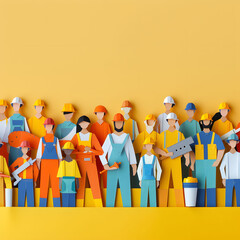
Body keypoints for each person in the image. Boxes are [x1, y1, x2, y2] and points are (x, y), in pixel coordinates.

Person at [100, 113, 137, 207]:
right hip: (112, 167)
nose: (118, 125)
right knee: (111, 188)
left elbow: (131, 152)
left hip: (124, 167)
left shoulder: (127, 137)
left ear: (123, 124)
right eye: (117, 123)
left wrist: (133, 165)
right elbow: (101, 153)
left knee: (125, 187)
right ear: (114, 124)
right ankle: (109, 209)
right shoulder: (109, 137)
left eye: (120, 123)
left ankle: (127, 209)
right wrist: (105, 164)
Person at [191, 113, 225, 207]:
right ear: (201, 122)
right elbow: (190, 150)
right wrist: (193, 163)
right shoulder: (196, 137)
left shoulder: (215, 136)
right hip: (199, 165)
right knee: (200, 186)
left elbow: (221, 149)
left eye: (207, 120)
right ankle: (199, 207)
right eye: (204, 121)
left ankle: (211, 206)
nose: (206, 122)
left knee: (211, 186)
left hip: (211, 164)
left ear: (211, 122)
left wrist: (217, 161)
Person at [156, 113, 188, 207]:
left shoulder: (179, 135)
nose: (171, 122)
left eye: (173, 120)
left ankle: (180, 205)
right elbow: (157, 148)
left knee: (178, 183)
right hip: (165, 162)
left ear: (176, 121)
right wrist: (165, 154)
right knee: (164, 183)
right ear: (167, 121)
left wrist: (186, 158)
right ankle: (162, 205)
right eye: (169, 120)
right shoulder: (163, 135)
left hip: (176, 162)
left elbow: (185, 147)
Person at [71, 116, 103, 207]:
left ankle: (99, 205)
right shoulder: (76, 136)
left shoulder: (92, 136)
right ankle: (79, 205)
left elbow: (100, 152)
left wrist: (91, 150)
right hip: (80, 163)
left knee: (95, 184)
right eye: (82, 123)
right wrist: (79, 150)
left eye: (86, 123)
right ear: (79, 124)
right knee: (80, 185)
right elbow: (70, 150)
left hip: (91, 163)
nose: (84, 125)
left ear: (89, 124)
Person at [36, 118, 62, 207]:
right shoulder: (42, 139)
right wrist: (38, 167)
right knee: (43, 183)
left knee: (55, 184)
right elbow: (38, 155)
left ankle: (57, 205)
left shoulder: (56, 139)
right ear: (44, 127)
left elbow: (59, 155)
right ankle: (42, 205)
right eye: (47, 126)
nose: (48, 127)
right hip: (44, 164)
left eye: (50, 125)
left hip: (55, 164)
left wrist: (60, 167)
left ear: (53, 126)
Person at [10, 141, 39, 207]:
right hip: (21, 181)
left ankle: (31, 213)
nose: (24, 150)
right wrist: (15, 176)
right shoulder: (18, 160)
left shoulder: (31, 160)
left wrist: (34, 181)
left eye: (26, 148)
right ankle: (20, 213)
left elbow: (36, 171)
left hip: (30, 181)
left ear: (28, 149)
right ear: (21, 149)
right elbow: (11, 168)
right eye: (23, 148)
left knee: (30, 199)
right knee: (21, 199)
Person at [3, 97, 30, 166]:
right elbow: (7, 134)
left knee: (21, 162)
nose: (16, 106)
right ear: (12, 106)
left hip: (22, 145)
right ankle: (12, 175)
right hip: (12, 145)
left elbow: (27, 133)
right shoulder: (10, 119)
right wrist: (8, 147)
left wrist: (27, 146)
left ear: (20, 106)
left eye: (17, 105)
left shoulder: (23, 119)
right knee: (13, 162)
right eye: (14, 105)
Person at [90, 105, 111, 188]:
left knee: (106, 172)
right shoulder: (93, 126)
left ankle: (107, 190)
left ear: (104, 114)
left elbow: (110, 139)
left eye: (102, 113)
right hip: (96, 153)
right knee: (96, 173)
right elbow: (91, 140)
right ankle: (97, 192)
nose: (100, 115)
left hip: (105, 153)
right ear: (96, 114)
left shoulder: (107, 125)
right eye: (98, 113)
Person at [137, 137, 162, 207]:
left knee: (153, 199)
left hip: (152, 181)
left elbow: (159, 169)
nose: (149, 146)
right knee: (143, 200)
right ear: (145, 146)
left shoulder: (155, 158)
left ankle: (153, 212)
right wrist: (140, 180)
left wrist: (157, 180)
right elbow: (139, 169)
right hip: (144, 181)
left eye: (150, 145)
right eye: (147, 145)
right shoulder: (142, 158)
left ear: (152, 146)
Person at [179, 103, 201, 178]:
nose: (190, 113)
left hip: (195, 149)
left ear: (194, 112)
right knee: (184, 168)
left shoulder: (196, 124)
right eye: (188, 111)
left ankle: (197, 186)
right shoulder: (183, 125)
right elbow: (179, 139)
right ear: (186, 112)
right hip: (184, 150)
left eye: (191, 111)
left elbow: (199, 137)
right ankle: (184, 187)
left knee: (195, 169)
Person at [57, 142, 81, 207]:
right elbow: (60, 175)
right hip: (64, 181)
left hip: (72, 182)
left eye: (69, 150)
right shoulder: (62, 162)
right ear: (64, 151)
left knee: (72, 197)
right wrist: (60, 184)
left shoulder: (74, 162)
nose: (68, 151)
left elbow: (76, 175)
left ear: (72, 151)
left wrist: (77, 184)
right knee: (64, 197)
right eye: (66, 150)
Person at [220, 134, 240, 207]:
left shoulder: (239, 155)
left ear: (237, 142)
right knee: (228, 198)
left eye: (234, 142)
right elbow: (222, 167)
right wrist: (224, 178)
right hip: (229, 179)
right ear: (228, 143)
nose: (232, 143)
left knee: (239, 197)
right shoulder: (227, 155)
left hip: (238, 179)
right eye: (231, 142)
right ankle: (227, 213)